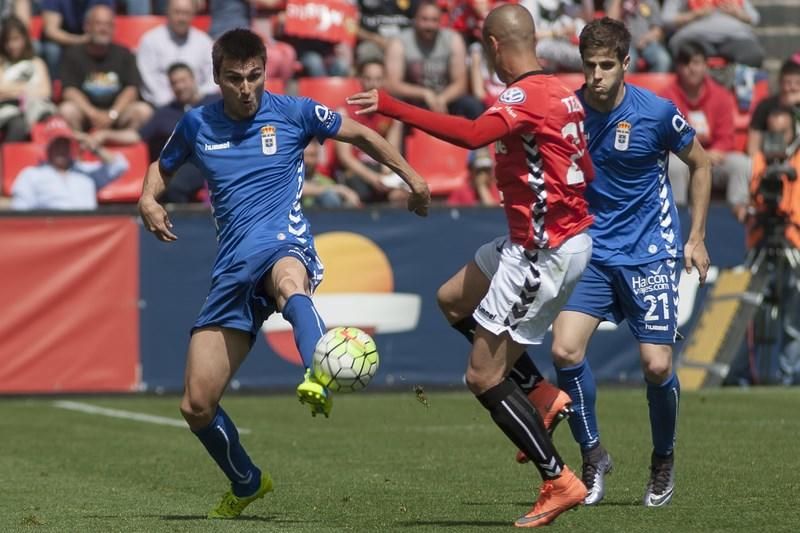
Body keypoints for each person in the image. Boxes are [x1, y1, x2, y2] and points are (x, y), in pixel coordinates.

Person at [138, 28, 430, 519]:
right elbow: (161, 167)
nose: (246, 87)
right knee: (196, 405)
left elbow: (359, 132)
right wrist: (148, 198)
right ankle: (247, 481)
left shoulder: (294, 111)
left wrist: (414, 179)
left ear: (264, 71)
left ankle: (319, 367)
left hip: (283, 243)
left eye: (254, 76)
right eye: (235, 79)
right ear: (217, 77)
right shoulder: (196, 125)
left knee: (289, 280)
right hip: (231, 271)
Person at [349, 4, 594, 527]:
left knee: (483, 376)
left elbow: (470, 136)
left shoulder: (524, 94)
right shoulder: (563, 94)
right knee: (453, 298)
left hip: (542, 250)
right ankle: (543, 393)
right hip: (533, 238)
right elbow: (585, 167)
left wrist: (393, 105)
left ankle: (558, 479)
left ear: (493, 45)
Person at [508, 17, 712, 508]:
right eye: (588, 65)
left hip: (650, 251)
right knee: (564, 352)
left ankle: (662, 459)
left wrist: (698, 237)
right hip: (592, 252)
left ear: (626, 64)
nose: (596, 75)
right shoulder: (569, 111)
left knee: (656, 365)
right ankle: (593, 454)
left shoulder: (658, 113)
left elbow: (701, 165)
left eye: (606, 65)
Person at [660, 41, 751, 210]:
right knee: (673, 165)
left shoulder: (721, 95)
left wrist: (710, 155)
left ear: (705, 66)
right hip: (682, 159)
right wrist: (698, 155)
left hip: (715, 161)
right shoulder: (666, 98)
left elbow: (726, 137)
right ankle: (675, 216)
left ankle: (738, 217)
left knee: (742, 163)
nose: (691, 69)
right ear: (678, 67)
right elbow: (665, 140)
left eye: (696, 63)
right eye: (685, 63)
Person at [58, 5, 153, 134]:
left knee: (143, 111)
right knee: (66, 110)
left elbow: (131, 90)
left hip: (117, 114)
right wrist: (93, 114)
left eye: (108, 25)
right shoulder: (72, 54)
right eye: (98, 23)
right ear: (87, 26)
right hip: (85, 114)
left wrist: (112, 114)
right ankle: (79, 145)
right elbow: (69, 90)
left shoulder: (125, 54)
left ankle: (117, 140)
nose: (103, 29)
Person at [384, 0, 484, 119]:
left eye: (434, 20)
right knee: (394, 108)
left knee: (474, 106)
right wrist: (424, 94)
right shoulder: (399, 42)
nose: (429, 26)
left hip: (446, 98)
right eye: (424, 19)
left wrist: (442, 99)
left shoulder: (453, 39)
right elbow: (392, 84)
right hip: (413, 101)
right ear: (415, 19)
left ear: (440, 21)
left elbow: (461, 84)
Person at [11, 118, 128, 210]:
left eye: (65, 143)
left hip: (89, 233)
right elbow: (20, 212)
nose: (61, 148)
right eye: (57, 144)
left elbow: (120, 166)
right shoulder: (31, 175)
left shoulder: (85, 172)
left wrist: (92, 145)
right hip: (49, 233)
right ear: (48, 147)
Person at [335, 59, 408, 205]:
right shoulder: (344, 113)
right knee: (360, 192)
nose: (373, 84)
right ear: (360, 79)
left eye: (378, 79)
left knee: (402, 194)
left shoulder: (393, 115)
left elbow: (392, 151)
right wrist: (373, 179)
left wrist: (385, 176)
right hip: (356, 171)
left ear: (384, 80)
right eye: (368, 78)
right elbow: (345, 158)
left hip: (381, 169)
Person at [136, 0, 217, 107]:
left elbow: (212, 77)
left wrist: (198, 98)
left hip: (198, 105)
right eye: (177, 12)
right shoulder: (150, 40)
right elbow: (147, 78)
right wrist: (171, 104)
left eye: (186, 13)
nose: (182, 18)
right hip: (158, 106)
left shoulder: (204, 42)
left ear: (193, 15)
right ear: (167, 12)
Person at [0, 16, 56, 142]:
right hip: (7, 112)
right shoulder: (2, 64)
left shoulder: (37, 63)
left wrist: (13, 90)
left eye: (16, 39)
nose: (11, 45)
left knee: (49, 119)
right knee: (18, 125)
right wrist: (28, 88)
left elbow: (46, 92)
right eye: (7, 41)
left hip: (37, 108)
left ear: (25, 38)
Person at [661, 0, 764, 68]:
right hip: (694, 37)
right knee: (691, 59)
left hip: (735, 37)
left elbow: (754, 18)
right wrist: (695, 14)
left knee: (753, 54)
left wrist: (738, 13)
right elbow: (666, 19)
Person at [747, 57, 800, 157]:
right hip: (770, 159)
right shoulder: (765, 106)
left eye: (798, 83)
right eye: (788, 82)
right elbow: (753, 145)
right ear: (780, 83)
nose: (792, 87)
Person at [606, 0, 671, 73]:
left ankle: (654, 84)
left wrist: (645, 39)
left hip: (648, 43)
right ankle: (626, 84)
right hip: (625, 43)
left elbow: (658, 30)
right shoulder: (615, 2)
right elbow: (610, 24)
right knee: (628, 60)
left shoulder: (651, 2)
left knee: (662, 59)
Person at [302, 142, 362, 209]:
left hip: (321, 215)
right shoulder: (292, 176)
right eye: (304, 155)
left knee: (330, 198)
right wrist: (340, 189)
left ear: (318, 157)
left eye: (312, 155)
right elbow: (299, 189)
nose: (307, 160)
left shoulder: (325, 181)